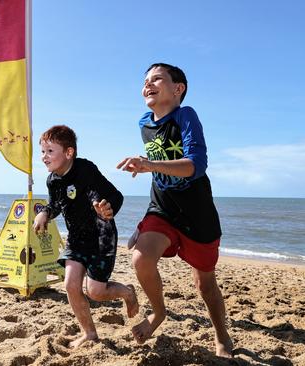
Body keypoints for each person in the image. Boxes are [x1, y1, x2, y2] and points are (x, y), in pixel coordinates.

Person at [117, 63, 233, 357]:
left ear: (178, 88)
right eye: (145, 81)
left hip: (198, 213)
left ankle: (221, 335)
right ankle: (159, 312)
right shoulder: (144, 122)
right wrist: (145, 219)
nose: (147, 84)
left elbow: (195, 166)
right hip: (163, 208)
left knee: (205, 284)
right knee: (141, 258)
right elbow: (158, 175)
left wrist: (149, 164)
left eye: (157, 79)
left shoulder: (185, 116)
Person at [33, 125, 138, 349]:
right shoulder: (53, 180)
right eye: (42, 151)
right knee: (71, 285)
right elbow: (56, 204)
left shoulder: (85, 169)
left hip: (102, 237)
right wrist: (45, 213)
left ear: (69, 152)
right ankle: (89, 333)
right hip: (76, 238)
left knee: (96, 292)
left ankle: (127, 292)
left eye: (50, 151)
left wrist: (109, 209)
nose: (44, 157)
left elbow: (115, 195)